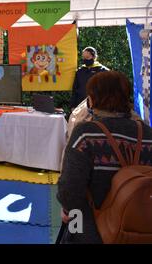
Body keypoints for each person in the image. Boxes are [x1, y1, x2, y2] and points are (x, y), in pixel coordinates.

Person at [57, 71, 152, 243]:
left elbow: (69, 193)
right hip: (138, 229)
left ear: (92, 99)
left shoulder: (86, 133)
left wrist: (76, 223)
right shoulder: (148, 134)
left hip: (93, 229)